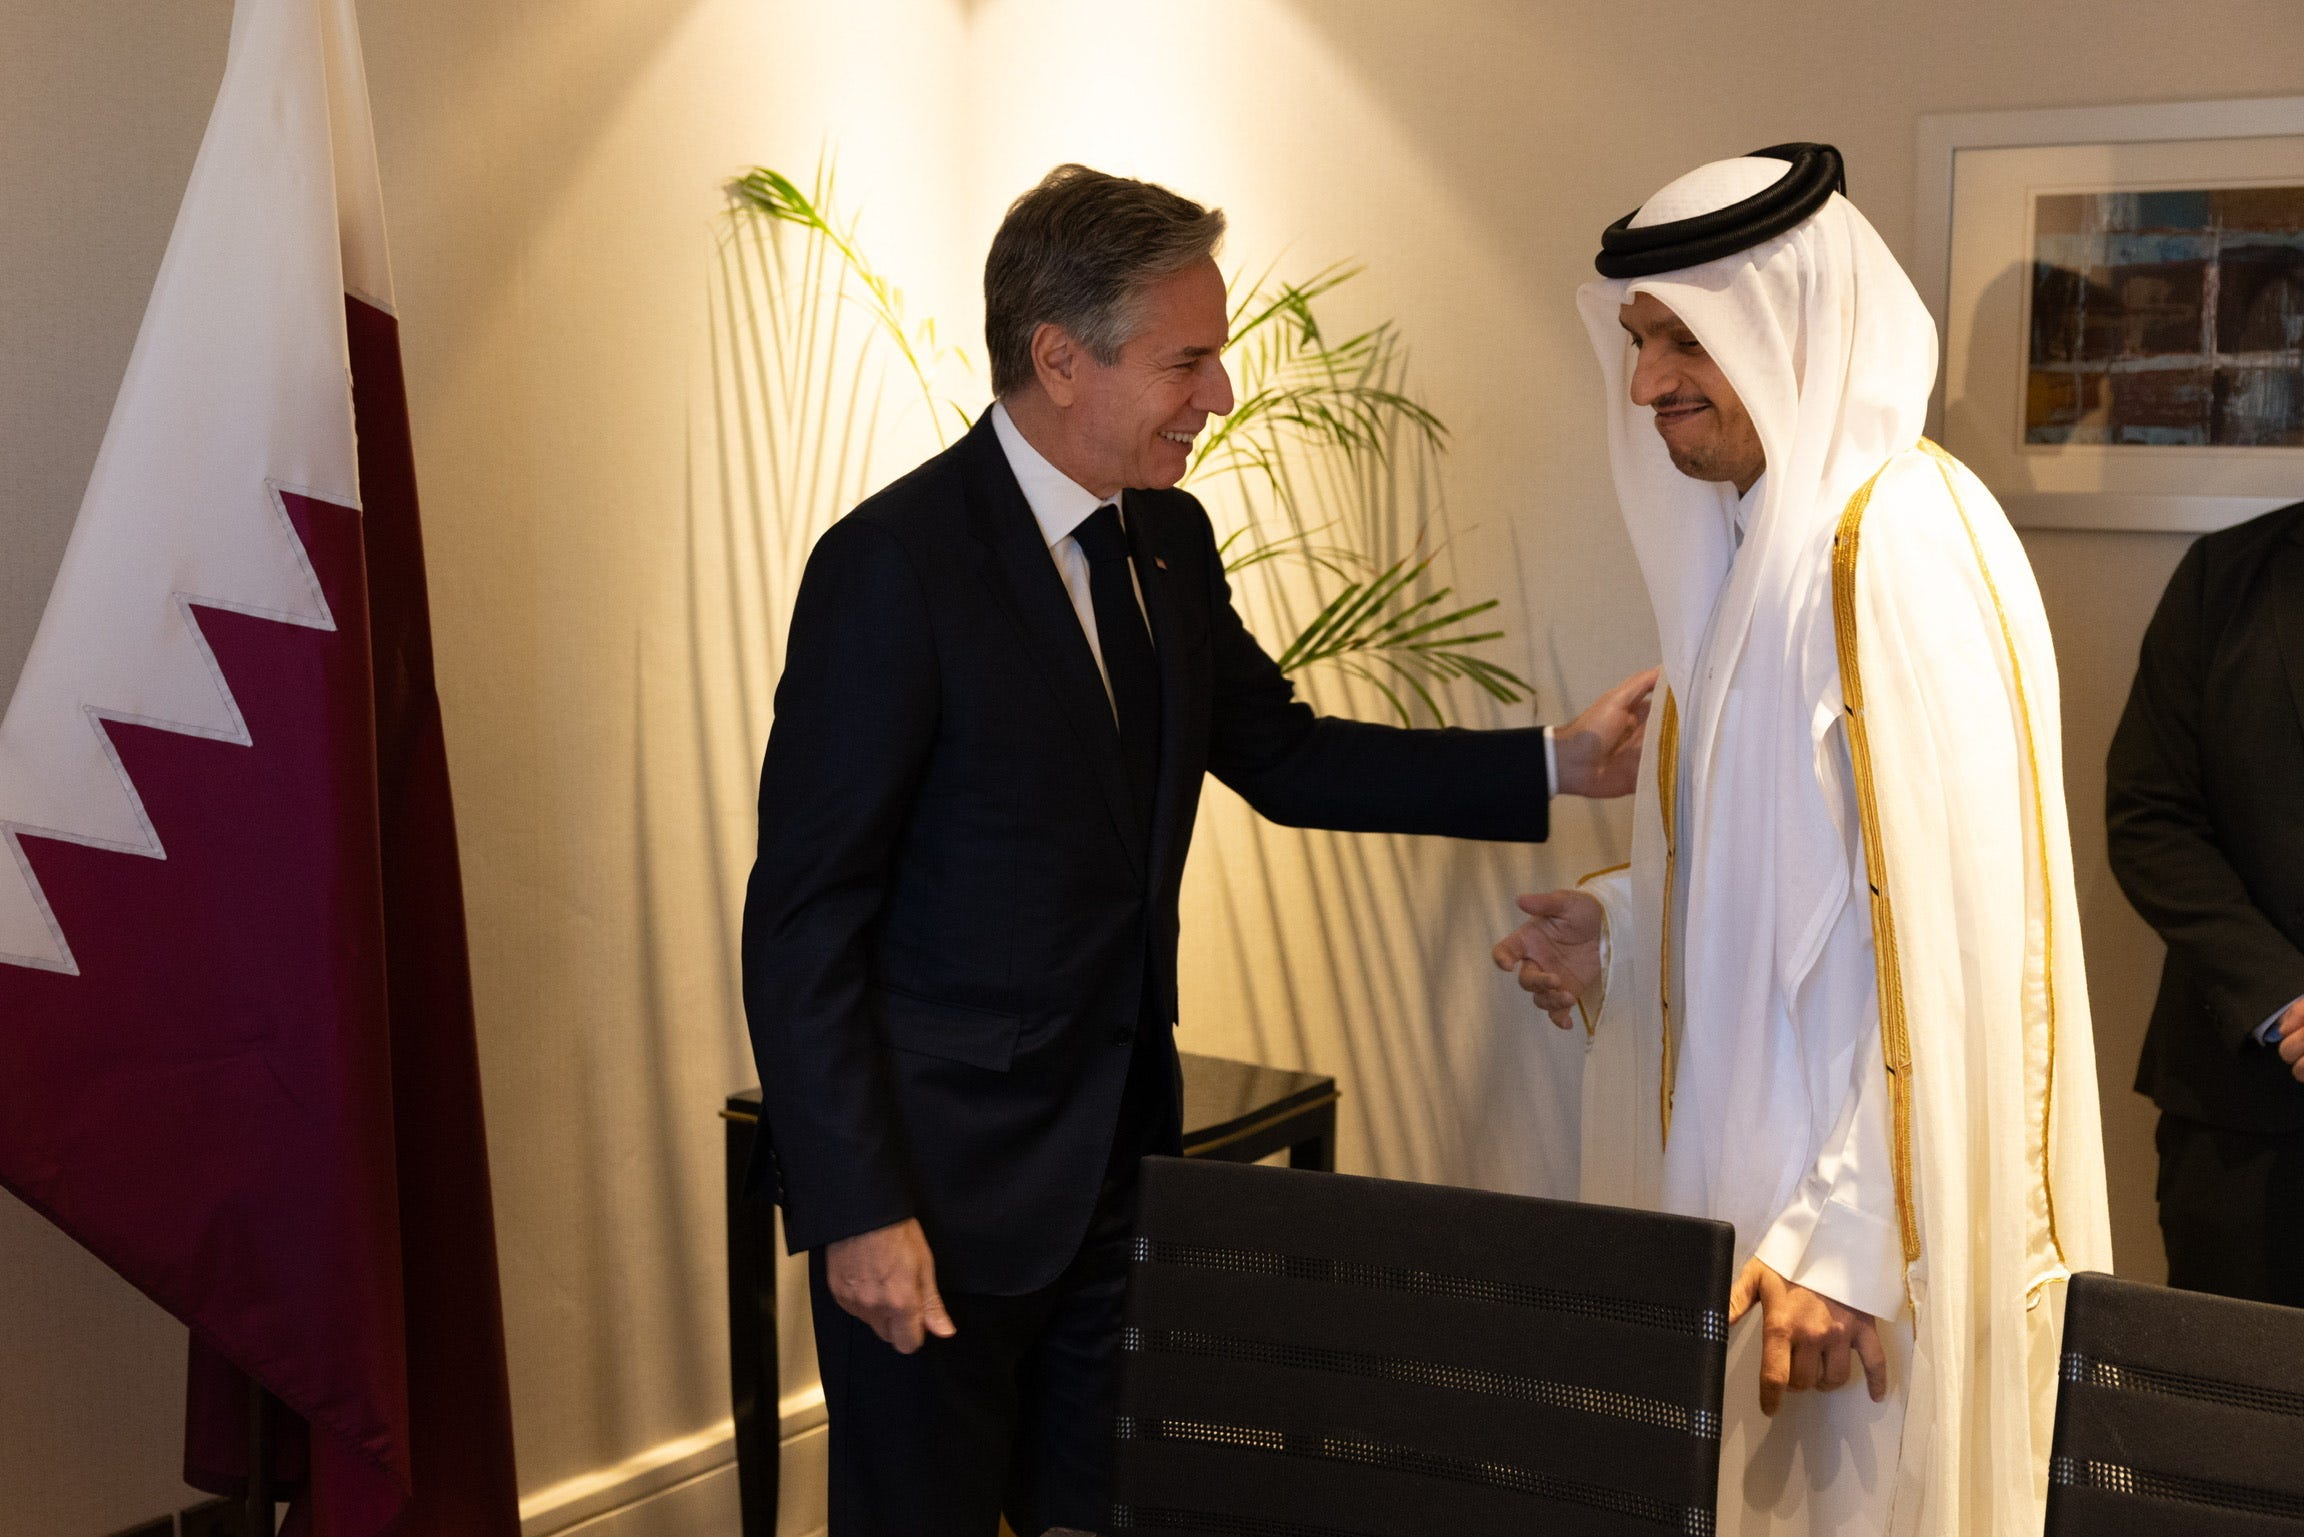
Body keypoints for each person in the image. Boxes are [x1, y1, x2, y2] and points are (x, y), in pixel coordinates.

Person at [742, 163, 1656, 1537]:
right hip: (937, 1198)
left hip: (1122, 1175)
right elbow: (803, 922)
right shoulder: (892, 566)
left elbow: (1285, 757)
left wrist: (1557, 763)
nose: (1219, 394)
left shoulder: (1168, 539)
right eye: (1188, 360)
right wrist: (857, 1207)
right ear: (1061, 358)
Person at [1493, 145, 2112, 1536]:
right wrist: (1625, 930)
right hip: (1757, 1205)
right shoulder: (1755, 548)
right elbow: (1796, 893)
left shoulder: (1894, 545)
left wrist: (1849, 1238)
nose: (1646, 384)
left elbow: (1965, 936)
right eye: (1640, 341)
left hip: (1850, 1260)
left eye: (1685, 340)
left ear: (1791, 325)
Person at [2107, 498, 2304, 1304]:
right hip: (2239, 1123)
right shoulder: (2219, 578)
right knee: (2227, 1385)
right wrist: (2286, 998)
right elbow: (2147, 816)